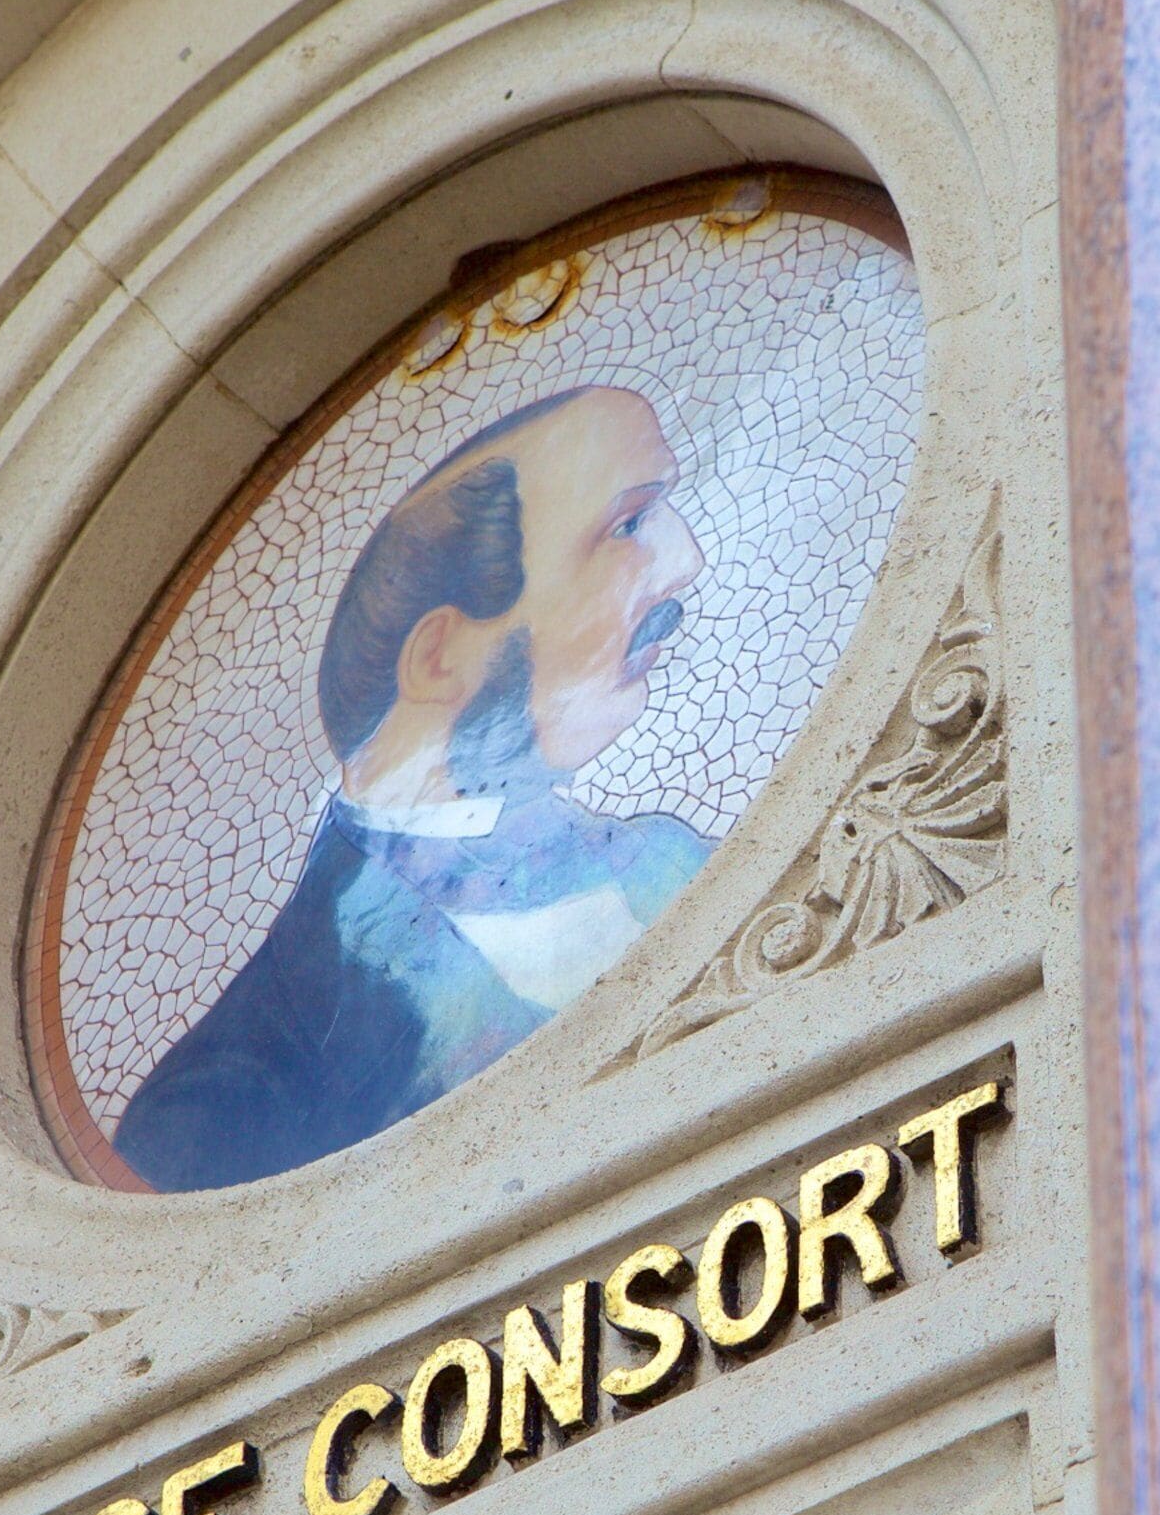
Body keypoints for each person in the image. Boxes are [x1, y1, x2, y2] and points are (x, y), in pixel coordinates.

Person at [115, 385, 713, 1192]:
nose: (687, 564)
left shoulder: (672, 859)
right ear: (439, 658)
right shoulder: (225, 1099)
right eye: (630, 526)